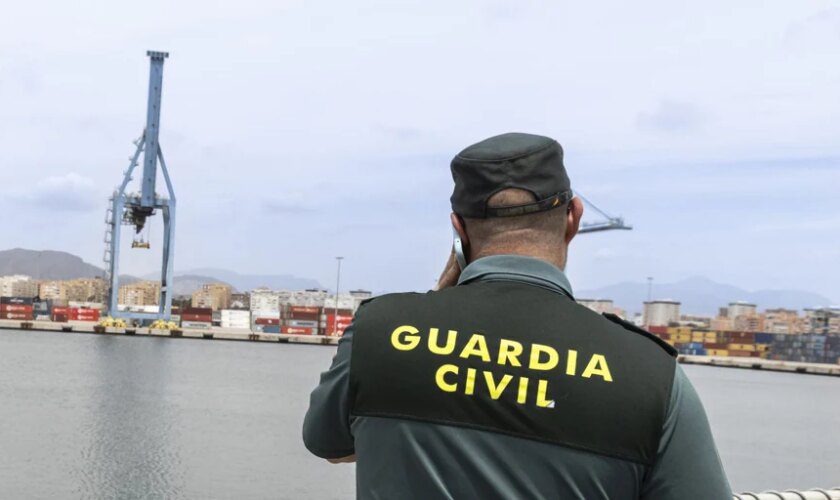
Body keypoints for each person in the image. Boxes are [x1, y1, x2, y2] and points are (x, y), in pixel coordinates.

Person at [303, 132, 732, 499]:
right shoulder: (651, 378)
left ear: (458, 229)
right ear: (574, 218)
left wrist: (435, 305)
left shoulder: (380, 332)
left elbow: (330, 444)